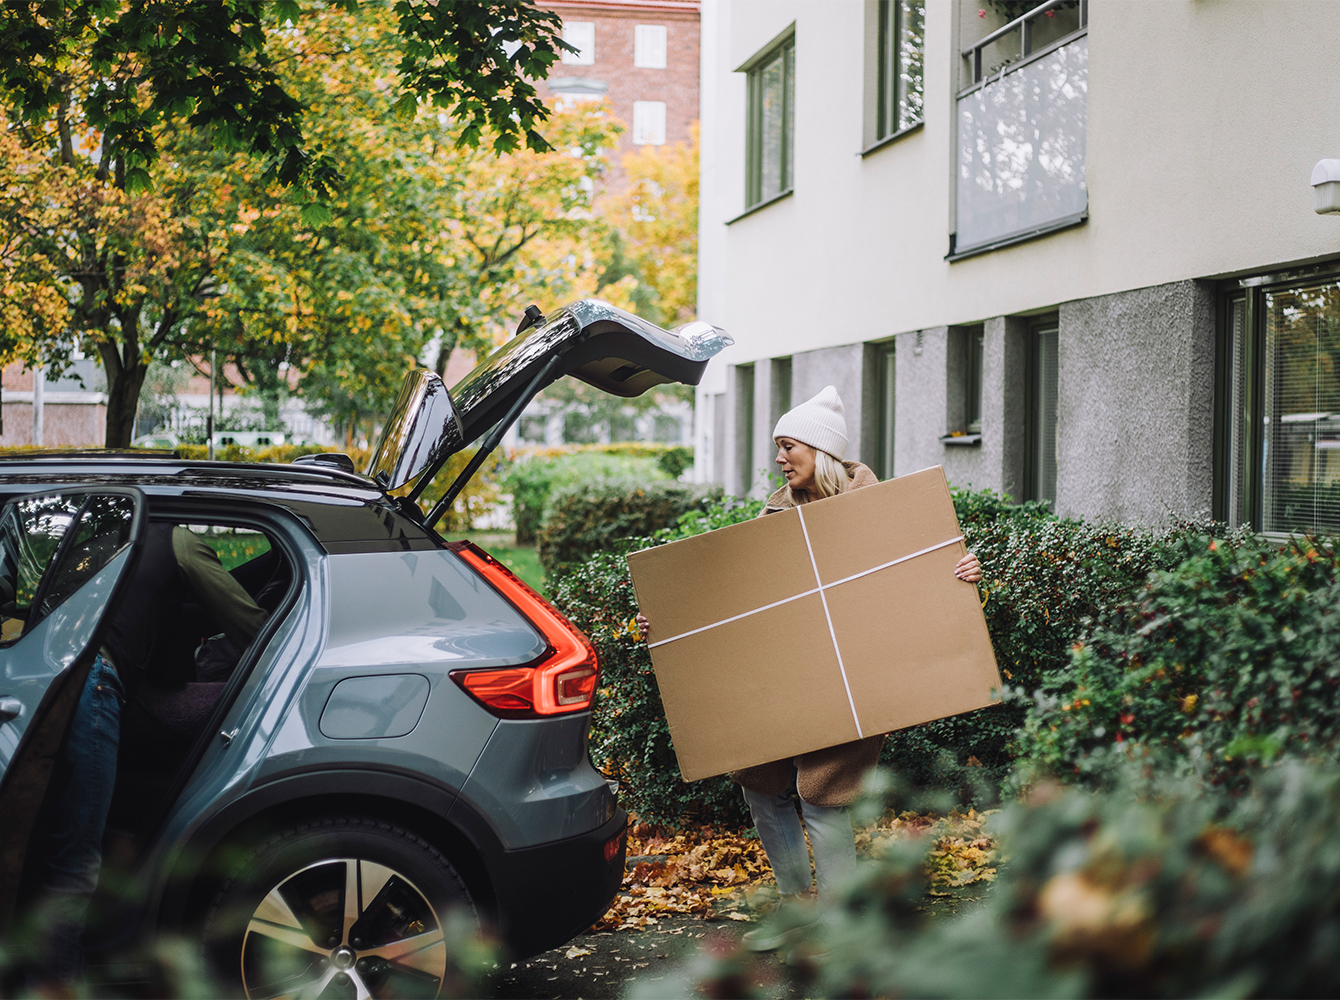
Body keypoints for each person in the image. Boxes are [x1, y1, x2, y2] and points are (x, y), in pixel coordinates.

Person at [637, 385, 981, 952]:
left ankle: (841, 922)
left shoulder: (878, 511)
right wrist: (669, 627)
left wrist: (961, 575)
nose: (778, 457)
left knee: (822, 789)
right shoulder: (773, 513)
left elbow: (914, 582)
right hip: (784, 680)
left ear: (818, 451)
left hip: (857, 679)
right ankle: (796, 906)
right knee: (758, 778)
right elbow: (740, 602)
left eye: (787, 445)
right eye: (777, 446)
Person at [35, 522, 268, 984]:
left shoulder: (89, 539)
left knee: (49, 842)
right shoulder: (175, 539)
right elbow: (252, 627)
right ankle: (55, 987)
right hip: (92, 681)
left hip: (46, 679)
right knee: (75, 862)